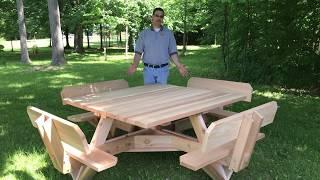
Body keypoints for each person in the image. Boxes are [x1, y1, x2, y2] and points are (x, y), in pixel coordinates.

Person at [127, 7, 188, 85]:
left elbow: (173, 52)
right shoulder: (144, 34)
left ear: (163, 19)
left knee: (161, 94)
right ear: (152, 17)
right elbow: (138, 52)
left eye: (161, 16)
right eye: (157, 15)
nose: (159, 18)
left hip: (163, 70)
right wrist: (135, 65)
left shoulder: (169, 33)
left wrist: (179, 66)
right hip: (148, 70)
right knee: (149, 93)